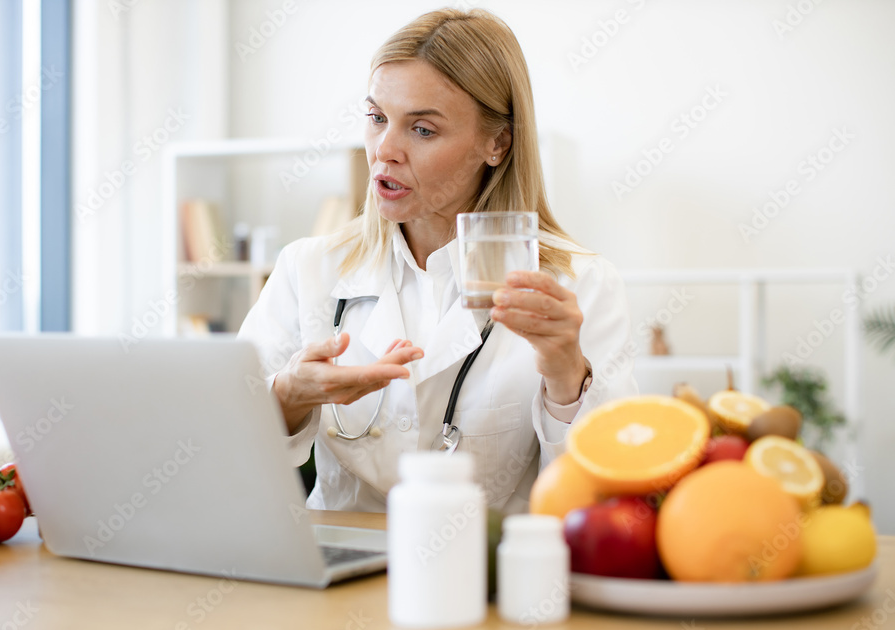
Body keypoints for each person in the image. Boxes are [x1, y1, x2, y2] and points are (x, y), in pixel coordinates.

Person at [238, 8, 638, 513]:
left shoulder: (581, 285)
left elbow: (605, 491)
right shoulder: (307, 268)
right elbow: (221, 452)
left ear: (497, 144)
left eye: (422, 130)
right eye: (377, 118)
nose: (384, 150)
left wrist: (566, 377)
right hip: (338, 557)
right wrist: (287, 397)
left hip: (484, 561)